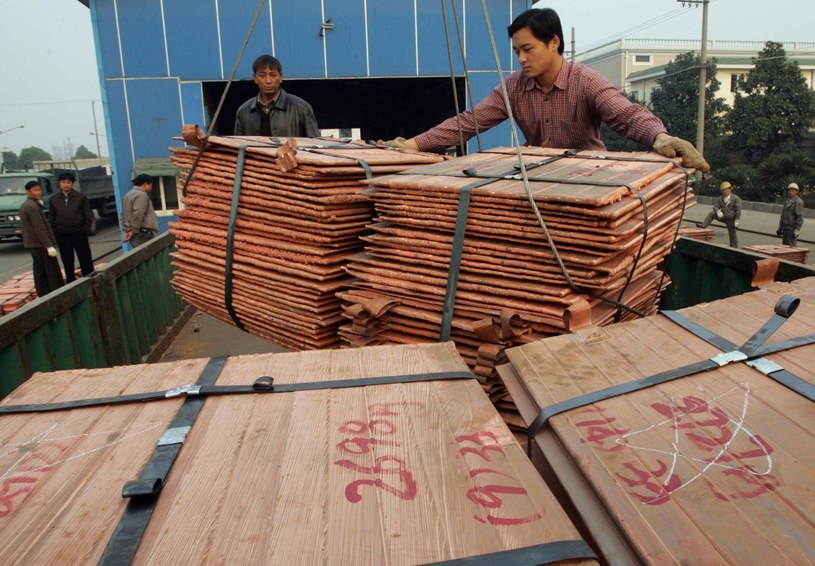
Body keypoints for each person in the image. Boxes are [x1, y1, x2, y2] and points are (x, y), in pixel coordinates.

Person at [379, 8, 708, 172]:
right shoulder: (514, 89)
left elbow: (625, 113)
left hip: (589, 177)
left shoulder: (586, 81)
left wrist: (661, 138)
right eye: (516, 51)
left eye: (528, 49)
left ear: (554, 42)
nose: (521, 59)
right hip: (540, 178)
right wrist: (414, 144)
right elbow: (470, 122)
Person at [234, 54, 320, 138]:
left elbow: (316, 145)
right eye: (262, 75)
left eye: (273, 75)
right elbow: (237, 148)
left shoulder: (301, 108)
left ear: (281, 77)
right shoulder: (243, 111)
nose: (268, 81)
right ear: (255, 78)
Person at [20, 180, 65, 297]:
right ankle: (56, 295)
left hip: (34, 244)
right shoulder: (32, 207)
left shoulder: (31, 204)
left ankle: (43, 295)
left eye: (39, 189)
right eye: (35, 190)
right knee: (51, 272)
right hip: (39, 245)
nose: (38, 192)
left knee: (40, 272)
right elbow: (39, 228)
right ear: (28, 191)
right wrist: (48, 246)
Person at [48, 171, 94, 282]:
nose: (66, 184)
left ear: (72, 183)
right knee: (67, 261)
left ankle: (90, 280)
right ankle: (71, 283)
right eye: (63, 182)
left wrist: (84, 230)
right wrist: (55, 231)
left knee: (85, 259)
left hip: (79, 234)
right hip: (63, 235)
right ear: (59, 183)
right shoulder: (53, 199)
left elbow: (88, 215)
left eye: (68, 182)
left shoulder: (80, 197)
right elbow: (51, 217)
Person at [698, 181, 742, 247]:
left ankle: (734, 248)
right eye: (723, 190)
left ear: (730, 189)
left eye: (727, 189)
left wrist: (737, 220)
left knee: (732, 234)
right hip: (722, 217)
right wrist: (718, 211)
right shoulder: (720, 199)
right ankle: (703, 226)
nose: (725, 191)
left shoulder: (736, 198)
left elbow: (738, 210)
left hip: (731, 219)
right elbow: (715, 206)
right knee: (712, 213)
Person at [121, 174, 159, 248]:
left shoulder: (128, 194)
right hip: (142, 233)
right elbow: (138, 214)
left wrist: (128, 230)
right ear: (145, 184)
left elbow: (123, 214)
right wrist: (134, 230)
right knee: (148, 256)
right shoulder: (141, 195)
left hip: (132, 232)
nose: (151, 187)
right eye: (151, 185)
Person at [777, 182, 804, 246]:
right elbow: (783, 215)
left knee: (791, 246)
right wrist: (780, 227)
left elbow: (799, 217)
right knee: (784, 246)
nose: (790, 192)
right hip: (785, 227)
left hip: (792, 228)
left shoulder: (798, 202)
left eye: (792, 190)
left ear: (796, 191)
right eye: (789, 190)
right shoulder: (787, 201)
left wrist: (797, 229)